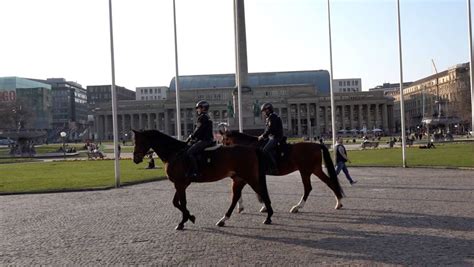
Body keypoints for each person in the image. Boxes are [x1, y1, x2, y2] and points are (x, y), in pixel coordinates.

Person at [185, 100, 214, 179]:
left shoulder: (202, 117)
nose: (197, 109)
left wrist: (191, 137)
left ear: (203, 108)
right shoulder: (207, 117)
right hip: (208, 139)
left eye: (198, 108)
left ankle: (195, 172)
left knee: (189, 152)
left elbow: (198, 130)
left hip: (205, 140)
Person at [258, 102, 284, 174]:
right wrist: (263, 136)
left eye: (263, 111)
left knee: (265, 150)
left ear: (267, 110)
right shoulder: (270, 117)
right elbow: (267, 130)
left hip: (276, 137)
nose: (263, 113)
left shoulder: (272, 117)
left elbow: (271, 129)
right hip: (272, 137)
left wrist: (263, 136)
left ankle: (274, 168)